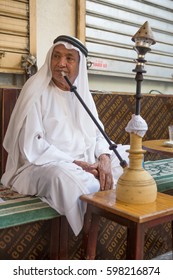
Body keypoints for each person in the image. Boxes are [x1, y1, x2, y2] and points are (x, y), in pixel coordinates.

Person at [1, 35, 129, 236]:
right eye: (57, 56)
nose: (61, 63)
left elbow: (98, 134)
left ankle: (118, 229)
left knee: (127, 165)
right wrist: (76, 163)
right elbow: (33, 145)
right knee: (68, 179)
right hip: (42, 166)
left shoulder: (82, 93)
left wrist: (103, 158)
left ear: (79, 66)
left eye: (69, 58)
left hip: (87, 165)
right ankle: (90, 236)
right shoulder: (36, 89)